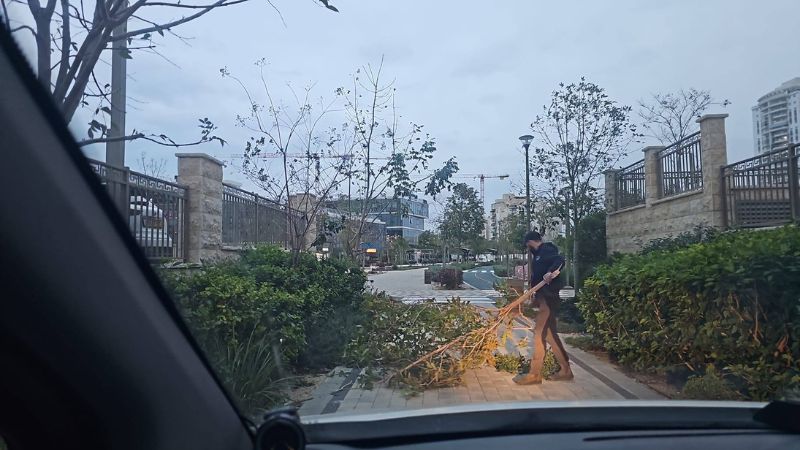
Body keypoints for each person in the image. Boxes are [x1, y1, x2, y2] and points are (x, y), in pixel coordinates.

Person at [513, 231, 574, 385]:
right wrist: (534, 297)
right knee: (549, 335)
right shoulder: (538, 255)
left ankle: (534, 373)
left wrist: (550, 273)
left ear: (531, 242)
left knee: (539, 333)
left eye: (527, 245)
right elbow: (536, 277)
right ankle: (565, 370)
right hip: (543, 299)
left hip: (549, 299)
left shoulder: (547, 250)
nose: (528, 248)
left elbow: (559, 260)